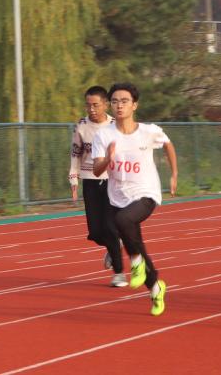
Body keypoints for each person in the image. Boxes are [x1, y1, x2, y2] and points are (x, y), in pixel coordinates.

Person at [91, 82, 177, 316]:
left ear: (134, 105)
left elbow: (168, 145)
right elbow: (97, 171)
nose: (119, 105)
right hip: (118, 197)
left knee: (124, 221)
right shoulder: (103, 135)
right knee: (134, 242)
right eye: (115, 101)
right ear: (110, 105)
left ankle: (136, 262)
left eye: (124, 101)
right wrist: (107, 159)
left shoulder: (148, 131)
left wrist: (174, 174)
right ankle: (156, 287)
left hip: (146, 193)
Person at [69, 85, 124, 287]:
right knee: (95, 232)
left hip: (111, 181)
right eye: (88, 105)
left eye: (95, 105)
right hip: (89, 180)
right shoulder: (81, 126)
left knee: (109, 226)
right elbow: (75, 153)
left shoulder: (116, 125)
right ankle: (114, 245)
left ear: (105, 104)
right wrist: (73, 179)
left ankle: (119, 273)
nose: (91, 109)